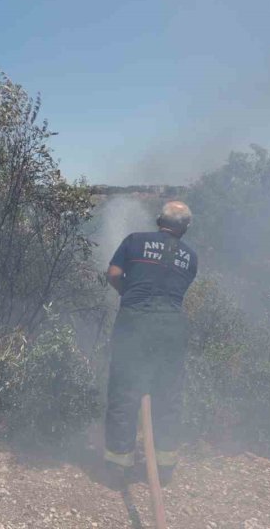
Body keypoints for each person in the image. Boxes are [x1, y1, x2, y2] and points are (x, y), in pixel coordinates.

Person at [103, 200, 198, 487]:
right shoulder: (190, 256)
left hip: (135, 322)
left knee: (124, 392)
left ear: (159, 220)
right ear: (186, 228)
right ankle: (164, 467)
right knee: (168, 395)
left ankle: (119, 467)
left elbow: (114, 275)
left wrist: (130, 296)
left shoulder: (134, 241)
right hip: (171, 328)